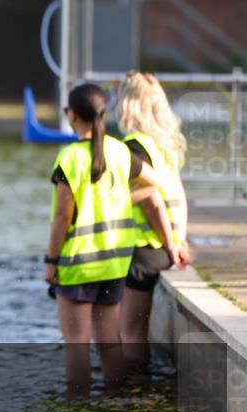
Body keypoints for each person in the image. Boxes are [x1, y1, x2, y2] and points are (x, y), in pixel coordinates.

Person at [44, 83, 180, 394]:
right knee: (110, 342)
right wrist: (122, 200)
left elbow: (62, 217)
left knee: (77, 344)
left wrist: (51, 261)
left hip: (79, 263)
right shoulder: (119, 151)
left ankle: (78, 407)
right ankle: (116, 401)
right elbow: (155, 182)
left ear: (72, 115)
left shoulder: (70, 158)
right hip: (115, 262)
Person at [116, 72, 191, 368]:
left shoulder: (134, 146)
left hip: (144, 249)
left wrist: (171, 245)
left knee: (130, 332)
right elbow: (179, 196)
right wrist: (179, 239)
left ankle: (131, 387)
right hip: (161, 246)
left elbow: (152, 201)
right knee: (132, 330)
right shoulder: (164, 146)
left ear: (129, 104)